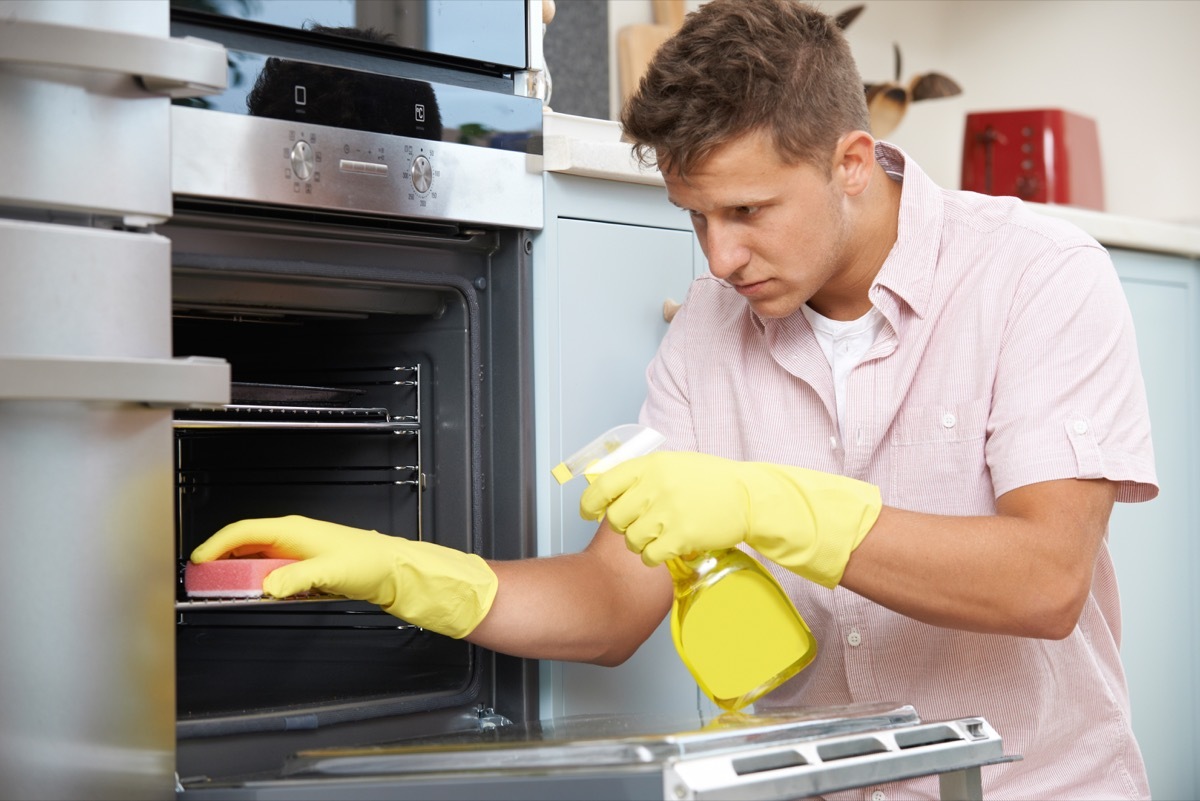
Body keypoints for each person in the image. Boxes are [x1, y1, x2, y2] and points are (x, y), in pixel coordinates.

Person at [192, 1, 1158, 797]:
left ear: (851, 162)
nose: (720, 257)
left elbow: (1044, 582)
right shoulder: (710, 324)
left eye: (748, 211)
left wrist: (766, 503)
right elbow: (613, 606)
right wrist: (394, 567)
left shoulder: (1036, 274)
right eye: (695, 217)